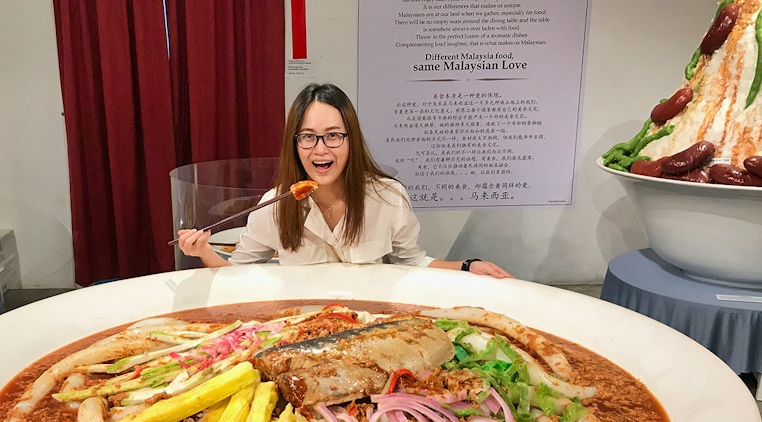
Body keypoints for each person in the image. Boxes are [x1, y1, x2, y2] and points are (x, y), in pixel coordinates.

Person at [176, 83, 512, 278]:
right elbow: (238, 275)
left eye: (333, 135)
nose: (320, 149)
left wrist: (468, 267)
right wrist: (204, 251)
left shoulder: (389, 197)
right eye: (307, 137)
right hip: (301, 328)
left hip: (371, 328)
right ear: (294, 144)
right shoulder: (275, 205)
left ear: (351, 140)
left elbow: (412, 263)